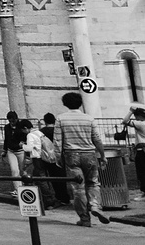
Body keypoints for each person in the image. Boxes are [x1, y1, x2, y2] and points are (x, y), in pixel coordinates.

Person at [54, 91, 112, 227]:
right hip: (89, 154)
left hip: (71, 154)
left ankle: (84, 218)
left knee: (78, 187)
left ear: (65, 104)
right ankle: (95, 206)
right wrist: (102, 155)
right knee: (93, 182)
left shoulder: (61, 119)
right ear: (80, 103)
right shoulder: (89, 118)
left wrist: (58, 157)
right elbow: (96, 138)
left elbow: (57, 141)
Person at [118, 103, 145, 203]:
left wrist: (131, 111)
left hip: (142, 151)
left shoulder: (141, 124)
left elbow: (125, 121)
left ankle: (144, 192)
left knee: (142, 172)